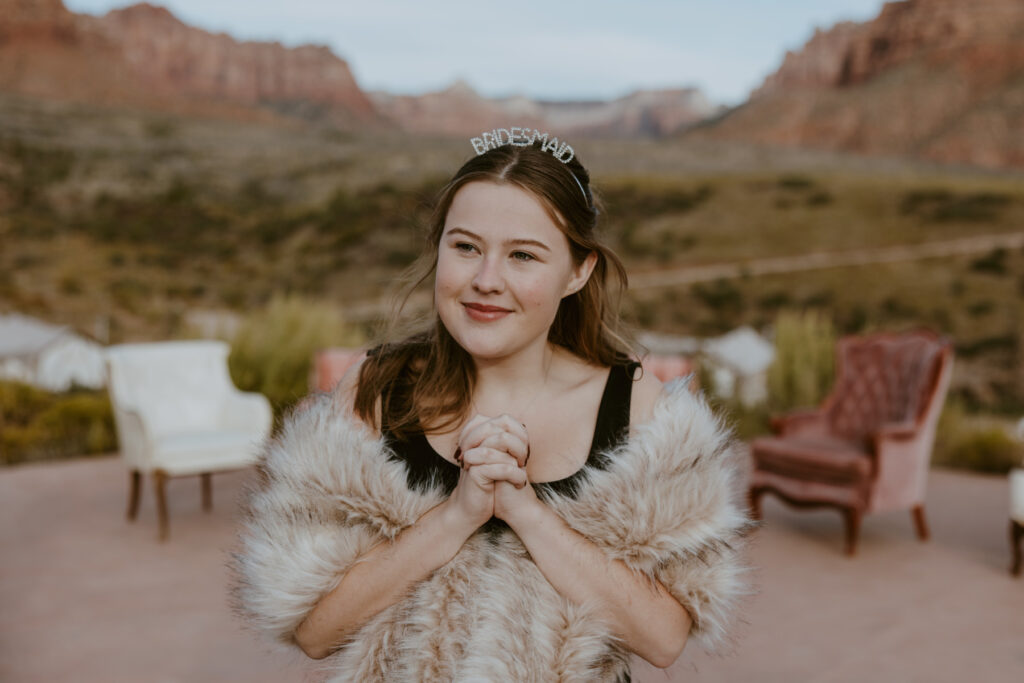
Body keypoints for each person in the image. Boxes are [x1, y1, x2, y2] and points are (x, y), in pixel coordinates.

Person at [229, 132, 754, 682]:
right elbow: (315, 631)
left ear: (578, 271)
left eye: (522, 255)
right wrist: (457, 514)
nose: (485, 281)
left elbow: (663, 638)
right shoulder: (376, 391)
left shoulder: (638, 405)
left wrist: (525, 509)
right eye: (465, 247)